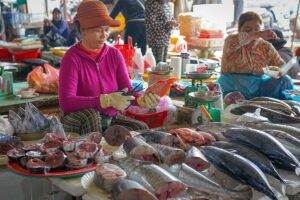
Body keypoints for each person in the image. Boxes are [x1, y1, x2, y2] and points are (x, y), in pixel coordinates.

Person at [59, 0, 160, 135]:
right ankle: (94, 154)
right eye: (97, 30)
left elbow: (127, 90)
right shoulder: (71, 58)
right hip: (79, 118)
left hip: (109, 117)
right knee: (92, 117)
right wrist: (104, 100)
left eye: (106, 30)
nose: (104, 35)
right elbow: (66, 102)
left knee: (141, 129)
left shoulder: (114, 55)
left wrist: (140, 99)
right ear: (83, 30)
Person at [217, 11, 294, 100]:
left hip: (259, 86)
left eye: (257, 29)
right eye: (248, 30)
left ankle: (285, 109)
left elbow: (281, 66)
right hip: (231, 86)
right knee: (234, 97)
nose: (253, 33)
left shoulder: (265, 46)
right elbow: (245, 37)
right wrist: (259, 33)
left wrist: (279, 72)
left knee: (285, 80)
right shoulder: (231, 41)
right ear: (239, 30)